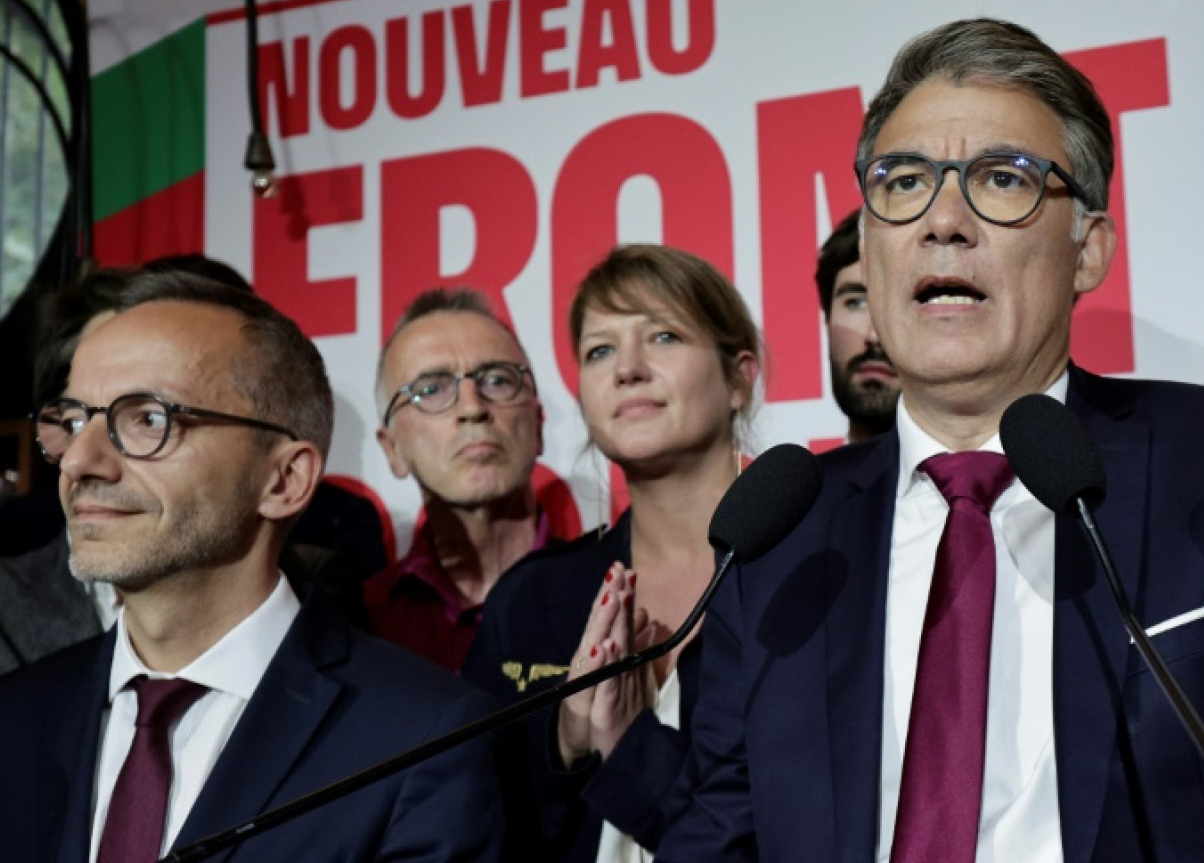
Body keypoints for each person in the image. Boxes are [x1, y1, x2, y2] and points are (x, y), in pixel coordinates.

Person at [657, 18, 1204, 863]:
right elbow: (723, 830)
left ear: (1088, 249)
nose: (942, 221)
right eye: (903, 180)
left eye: (1001, 179)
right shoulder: (781, 535)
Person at [0, 272, 501, 862]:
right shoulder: (10, 719)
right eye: (75, 421)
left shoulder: (423, 739)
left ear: (284, 480)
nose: (80, 460)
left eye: (147, 419)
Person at [464, 244, 761, 862]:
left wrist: (632, 748)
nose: (627, 369)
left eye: (663, 336)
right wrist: (568, 738)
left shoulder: (820, 572)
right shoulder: (530, 600)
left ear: (740, 377)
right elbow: (480, 827)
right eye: (600, 350)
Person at [366, 287, 559, 672]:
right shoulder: (360, 624)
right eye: (431, 390)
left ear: (538, 426)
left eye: (498, 380)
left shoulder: (612, 592)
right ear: (393, 450)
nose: (472, 407)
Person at [814, 208, 900, 441]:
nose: (874, 337)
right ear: (827, 320)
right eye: (856, 303)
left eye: (898, 303)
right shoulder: (813, 478)